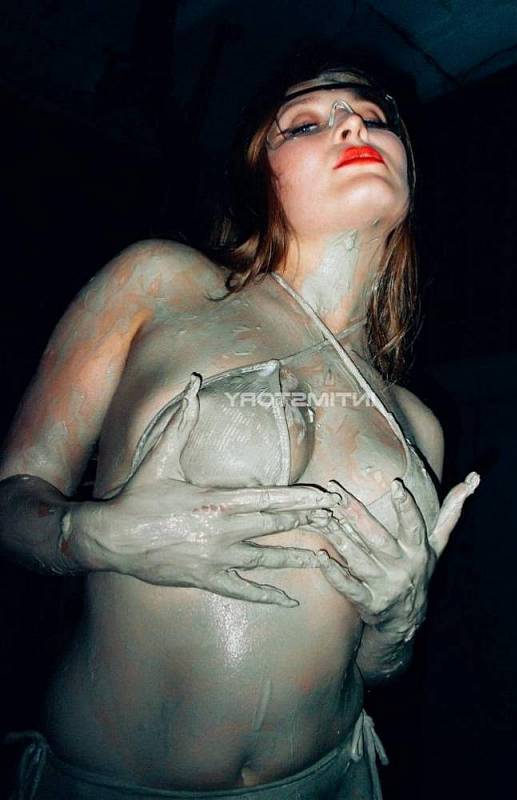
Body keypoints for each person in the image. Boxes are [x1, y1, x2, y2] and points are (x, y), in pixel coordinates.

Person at [0, 59, 479, 799]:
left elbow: (372, 668)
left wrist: (396, 625)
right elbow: (13, 497)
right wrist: (90, 535)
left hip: (330, 778)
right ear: (261, 176)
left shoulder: (416, 423)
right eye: (306, 123)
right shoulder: (161, 283)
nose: (352, 124)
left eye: (372, 116)